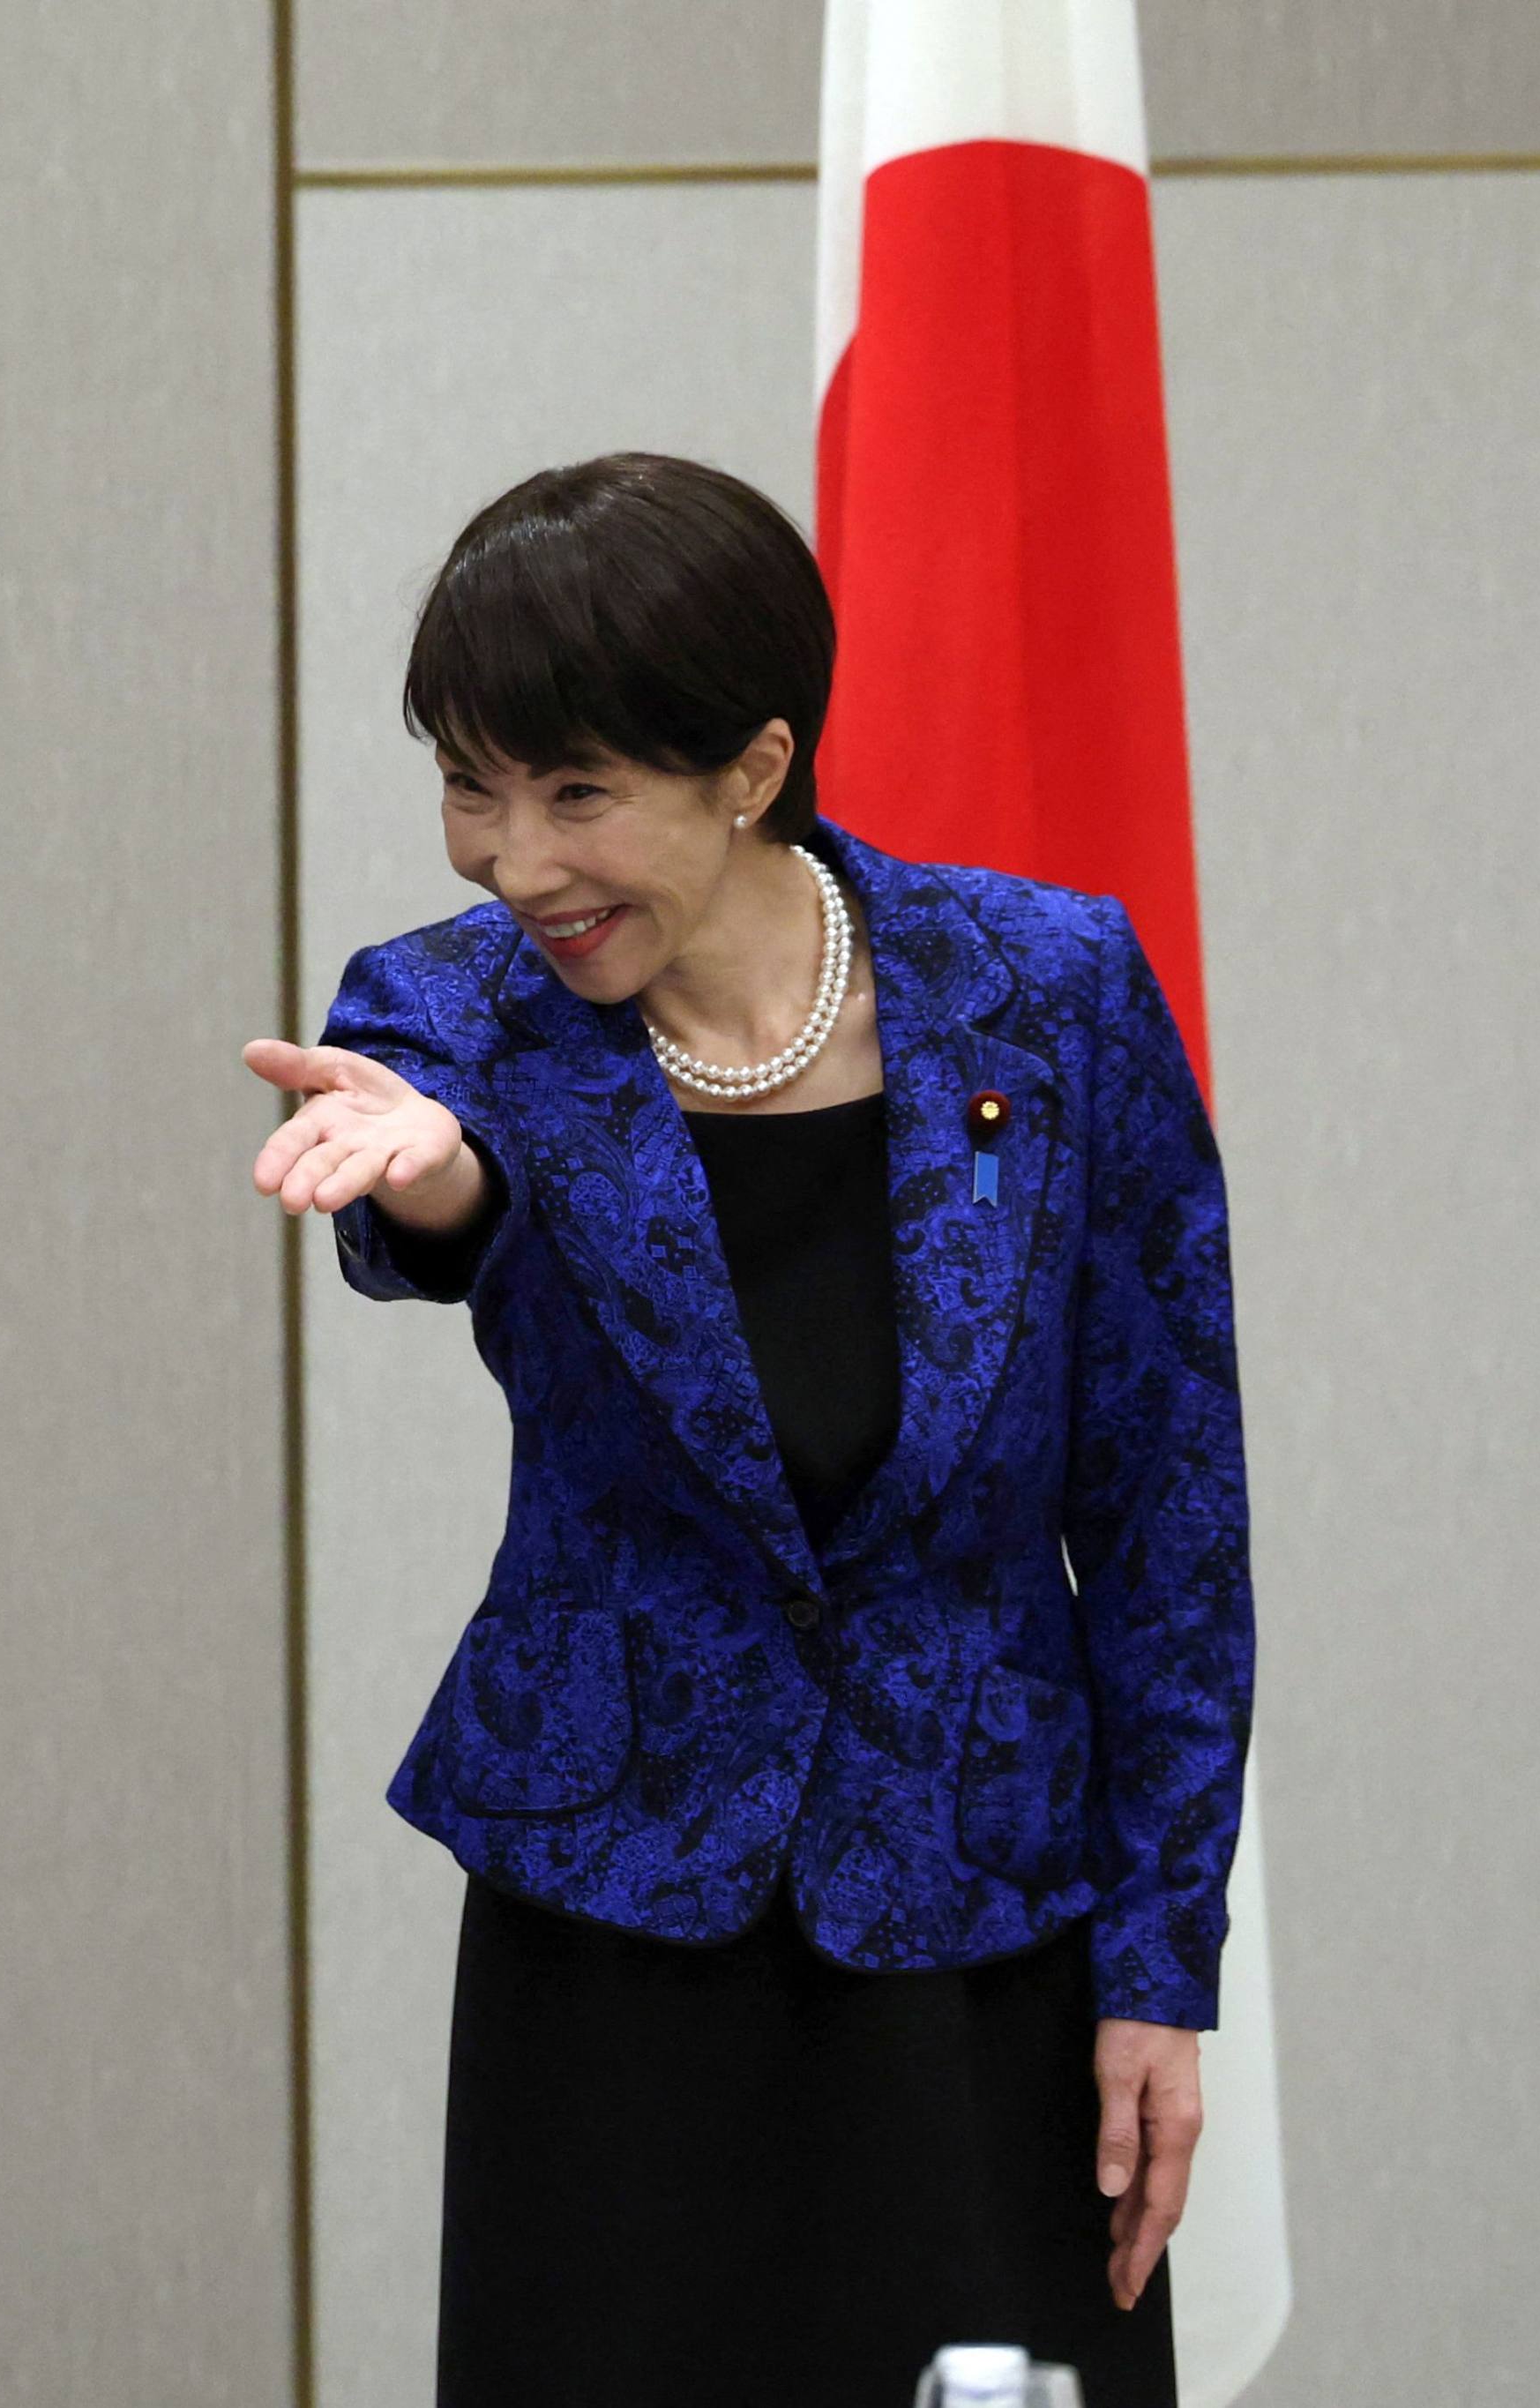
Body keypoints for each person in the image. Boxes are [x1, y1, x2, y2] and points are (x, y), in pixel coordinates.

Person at [247, 454, 1249, 2406]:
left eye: (574, 792)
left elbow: (1168, 1517)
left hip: (979, 1927)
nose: (509, 860)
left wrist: (1156, 1959)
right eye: (468, 782)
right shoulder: (453, 1016)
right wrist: (437, 1185)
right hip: (613, 1931)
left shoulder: (1047, 996)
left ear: (753, 765)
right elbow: (425, 1204)